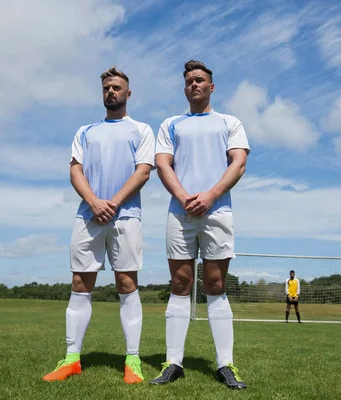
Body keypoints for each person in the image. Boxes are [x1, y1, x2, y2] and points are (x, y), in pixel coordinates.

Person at [42, 66, 155, 384]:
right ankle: (72, 359)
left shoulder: (142, 130)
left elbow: (143, 171)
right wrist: (94, 202)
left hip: (126, 217)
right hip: (87, 216)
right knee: (80, 283)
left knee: (127, 284)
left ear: (127, 93)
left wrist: (113, 203)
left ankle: (132, 362)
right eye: (107, 87)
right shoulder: (85, 131)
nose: (111, 92)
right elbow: (75, 171)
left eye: (117, 87)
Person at [151, 60, 250, 390]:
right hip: (179, 214)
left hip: (217, 212)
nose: (194, 84)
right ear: (184, 89)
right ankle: (174, 363)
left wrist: (210, 195)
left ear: (212, 86)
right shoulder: (171, 124)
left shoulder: (230, 122)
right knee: (180, 283)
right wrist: (183, 196)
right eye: (190, 81)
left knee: (215, 285)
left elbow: (239, 163)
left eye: (200, 80)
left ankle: (225, 365)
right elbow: (162, 164)